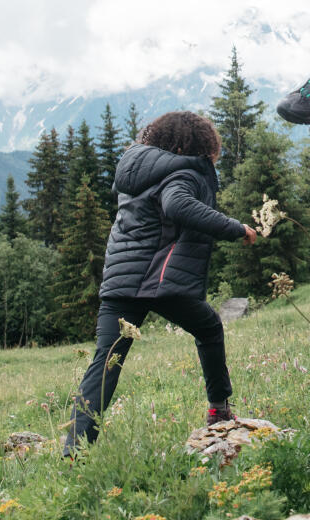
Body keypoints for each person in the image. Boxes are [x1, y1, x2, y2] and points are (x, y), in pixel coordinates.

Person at [62, 110, 258, 454]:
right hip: (159, 280)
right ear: (199, 147)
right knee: (210, 328)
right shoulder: (182, 172)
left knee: (106, 361)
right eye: (214, 152)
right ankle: (219, 410)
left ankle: (74, 450)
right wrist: (235, 228)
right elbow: (178, 205)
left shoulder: (138, 171)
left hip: (121, 282)